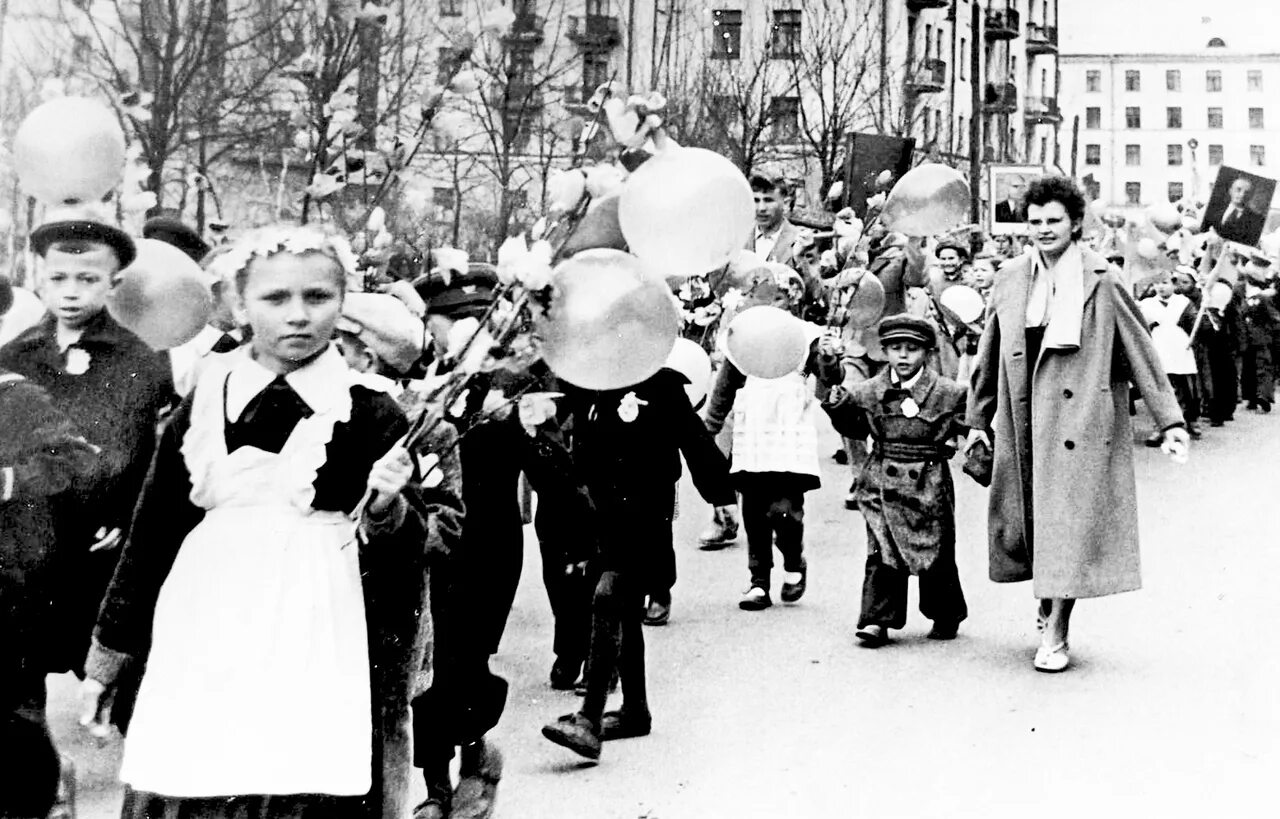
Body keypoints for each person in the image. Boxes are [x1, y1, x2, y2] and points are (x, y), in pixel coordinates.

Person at [77, 225, 441, 818]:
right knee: (197, 768)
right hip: (206, 621)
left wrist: (384, 506)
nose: (297, 315)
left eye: (318, 297)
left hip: (315, 631)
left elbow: (412, 552)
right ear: (241, 304)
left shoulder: (368, 410)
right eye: (275, 299)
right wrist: (109, 655)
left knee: (295, 777)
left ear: (343, 302)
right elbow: (155, 529)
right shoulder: (204, 396)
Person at [966, 176, 1190, 673]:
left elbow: (1141, 353)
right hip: (1024, 419)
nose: (1044, 230)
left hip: (1079, 420)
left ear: (1074, 225)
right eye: (1036, 221)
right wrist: (977, 420)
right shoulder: (1010, 277)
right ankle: (1048, 600)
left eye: (1054, 221)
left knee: (1066, 526)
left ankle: (1057, 628)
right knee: (1031, 525)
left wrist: (1169, 420)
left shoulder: (1101, 279)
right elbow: (989, 354)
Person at [410, 266, 595, 819]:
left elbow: (552, 469)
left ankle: (471, 762)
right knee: (428, 668)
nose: (456, 334)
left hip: (486, 547)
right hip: (423, 543)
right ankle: (435, 785)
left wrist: (580, 540)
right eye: (446, 322)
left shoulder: (518, 385)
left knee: (463, 661)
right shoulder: (418, 379)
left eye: (469, 321)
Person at [0, 210, 176, 677]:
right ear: (39, 278)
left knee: (105, 654)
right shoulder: (17, 354)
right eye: (58, 277)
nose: (71, 291)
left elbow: (145, 446)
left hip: (102, 535)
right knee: (21, 664)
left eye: (88, 278)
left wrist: (124, 512)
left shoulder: (141, 357)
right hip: (35, 530)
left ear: (112, 286)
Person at [541, 367, 735, 762]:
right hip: (603, 515)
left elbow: (695, 441)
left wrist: (721, 495)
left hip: (647, 512)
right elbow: (574, 449)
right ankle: (634, 711)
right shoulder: (587, 383)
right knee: (625, 613)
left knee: (609, 597)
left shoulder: (662, 386)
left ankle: (589, 717)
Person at [0, 278, 100, 819]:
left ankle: (42, 800)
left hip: (6, 587)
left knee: (14, 719)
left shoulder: (16, 397)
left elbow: (78, 460)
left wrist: (9, 481)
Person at [819, 315, 969, 645]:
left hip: (928, 479)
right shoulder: (869, 390)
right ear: (884, 351)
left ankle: (944, 612)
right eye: (895, 348)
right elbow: (853, 427)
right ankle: (876, 619)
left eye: (912, 349)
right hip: (881, 477)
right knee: (881, 548)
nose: (903, 356)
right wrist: (832, 379)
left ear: (928, 353)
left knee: (936, 548)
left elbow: (970, 425)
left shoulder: (949, 392)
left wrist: (970, 440)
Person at [702, 269, 831, 611]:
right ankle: (759, 580)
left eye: (779, 297)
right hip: (753, 432)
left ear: (793, 301)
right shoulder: (742, 336)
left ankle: (793, 560)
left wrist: (830, 357)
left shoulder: (808, 335)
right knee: (755, 511)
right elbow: (724, 388)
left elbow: (830, 378)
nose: (770, 304)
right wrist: (707, 432)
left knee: (786, 511)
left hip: (789, 432)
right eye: (761, 296)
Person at [1139, 272, 1202, 440]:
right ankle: (1160, 425)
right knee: (1160, 389)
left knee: (1187, 388)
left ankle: (1191, 419)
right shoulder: (1146, 304)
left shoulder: (1183, 303)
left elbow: (1195, 325)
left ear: (1174, 285)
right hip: (1158, 348)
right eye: (1157, 283)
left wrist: (1199, 322)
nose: (1161, 286)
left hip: (1180, 349)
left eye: (1165, 282)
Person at [1238, 255, 1280, 413]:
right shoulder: (1241, 292)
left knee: (1263, 366)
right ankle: (1251, 397)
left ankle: (1263, 396)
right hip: (1246, 336)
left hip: (1261, 337)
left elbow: (1274, 318)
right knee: (1248, 368)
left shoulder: (1263, 298)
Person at [749, 174, 800, 266]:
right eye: (756, 200)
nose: (761, 208)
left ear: (786, 203)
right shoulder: (739, 239)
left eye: (768, 200)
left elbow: (813, 279)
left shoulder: (798, 241)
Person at [1208, 176, 1267, 246]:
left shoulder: (1257, 219)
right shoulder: (1214, 209)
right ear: (1230, 191)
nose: (1242, 195)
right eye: (1238, 190)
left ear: (1251, 196)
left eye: (1247, 192)